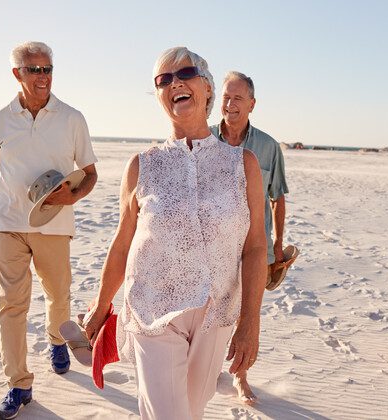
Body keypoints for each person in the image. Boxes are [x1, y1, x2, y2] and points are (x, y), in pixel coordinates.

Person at [82, 47, 267, 419]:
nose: (175, 83)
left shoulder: (242, 165)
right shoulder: (142, 166)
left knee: (193, 411)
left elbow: (255, 247)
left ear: (208, 88)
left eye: (184, 74)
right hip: (153, 310)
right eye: (163, 80)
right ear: (159, 96)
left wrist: (250, 322)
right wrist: (102, 304)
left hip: (217, 313)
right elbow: (123, 244)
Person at [0, 41, 98, 419]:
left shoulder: (72, 117)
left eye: (47, 69)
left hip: (54, 225)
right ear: (17, 74)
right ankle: (18, 385)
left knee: (58, 294)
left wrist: (70, 199)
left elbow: (90, 175)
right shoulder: (0, 119)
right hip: (8, 224)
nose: (43, 77)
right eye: (34, 70)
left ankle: (57, 339)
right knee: (11, 306)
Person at [209, 71, 289, 404]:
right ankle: (208, 369)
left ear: (252, 104)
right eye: (226, 98)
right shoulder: (203, 139)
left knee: (247, 315)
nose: (230, 105)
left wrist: (278, 245)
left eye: (238, 98)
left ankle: (240, 376)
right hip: (210, 247)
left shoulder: (268, 147)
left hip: (252, 249)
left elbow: (278, 197)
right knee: (208, 312)